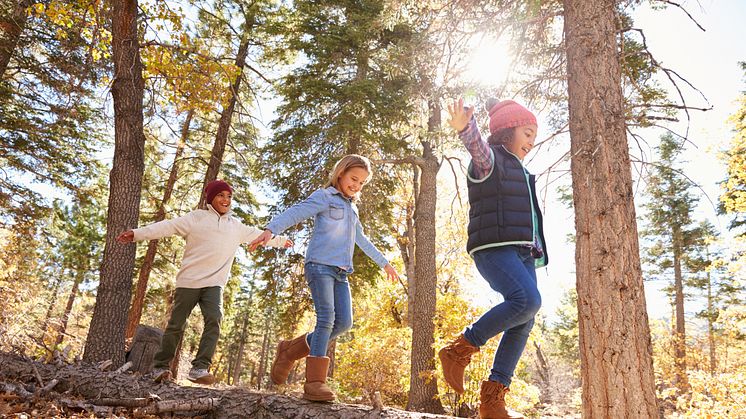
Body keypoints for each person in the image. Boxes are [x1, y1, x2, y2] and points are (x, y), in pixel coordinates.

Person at [249, 154, 400, 402]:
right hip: (319, 266)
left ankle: (289, 351)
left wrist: (385, 263)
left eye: (362, 183)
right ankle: (315, 383)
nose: (357, 186)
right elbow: (296, 212)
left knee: (344, 323)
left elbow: (361, 240)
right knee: (326, 319)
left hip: (341, 272)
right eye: (354, 179)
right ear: (340, 173)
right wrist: (270, 230)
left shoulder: (352, 208)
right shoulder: (324, 197)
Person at [116, 179, 291, 385]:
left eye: (228, 196)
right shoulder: (196, 218)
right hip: (189, 281)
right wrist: (136, 234)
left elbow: (260, 235)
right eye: (220, 195)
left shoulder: (236, 226)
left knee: (214, 319)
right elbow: (167, 226)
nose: (225, 200)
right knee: (176, 325)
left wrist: (281, 241)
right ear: (211, 198)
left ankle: (199, 368)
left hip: (214, 284)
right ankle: (160, 367)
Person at [439, 98, 549, 419]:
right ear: (505, 132)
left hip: (523, 251)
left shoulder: (523, 171)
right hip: (494, 246)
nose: (532, 141)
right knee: (526, 301)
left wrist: (536, 247)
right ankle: (459, 350)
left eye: (534, 135)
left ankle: (492, 400)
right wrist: (466, 128)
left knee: (525, 317)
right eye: (527, 133)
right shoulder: (492, 161)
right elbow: (476, 148)